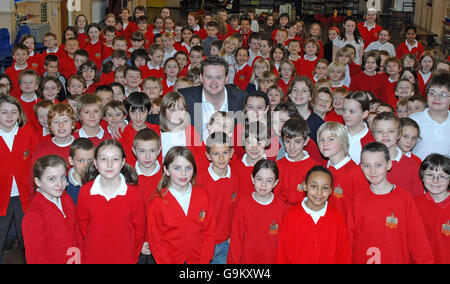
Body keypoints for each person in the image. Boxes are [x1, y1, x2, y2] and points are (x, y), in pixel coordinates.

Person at [349, 142, 434, 264]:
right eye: (367, 166)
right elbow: (349, 241)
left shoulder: (404, 198)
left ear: (389, 165)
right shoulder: (358, 199)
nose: (372, 171)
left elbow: (418, 241)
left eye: (378, 165)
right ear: (361, 167)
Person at [77, 139, 146, 264]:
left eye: (115, 159)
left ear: (122, 162)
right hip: (93, 258)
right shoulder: (86, 191)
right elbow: (84, 227)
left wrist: (132, 258)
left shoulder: (134, 193)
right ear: (95, 163)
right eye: (103, 159)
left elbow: (139, 230)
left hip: (125, 258)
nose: (109, 164)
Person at [147, 146, 215, 264]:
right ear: (166, 170)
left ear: (194, 170)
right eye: (177, 168)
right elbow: (156, 241)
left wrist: (204, 261)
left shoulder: (203, 195)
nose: (183, 173)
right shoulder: (157, 202)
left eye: (188, 168)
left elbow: (209, 233)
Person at [277, 165, 351, 264]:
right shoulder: (291, 216)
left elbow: (344, 255)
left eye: (325, 188)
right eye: (314, 186)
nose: (319, 193)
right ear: (304, 186)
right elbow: (282, 254)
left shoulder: (338, 218)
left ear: (330, 191)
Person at [22, 155, 83, 264]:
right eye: (52, 179)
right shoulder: (34, 216)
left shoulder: (65, 198)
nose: (60, 184)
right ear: (38, 182)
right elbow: (35, 258)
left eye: (63, 177)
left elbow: (77, 233)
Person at [0, 95, 38, 263]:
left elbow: (37, 161)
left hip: (25, 196)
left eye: (13, 112)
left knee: (29, 239)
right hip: (1, 198)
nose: (9, 116)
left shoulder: (28, 132)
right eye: (4, 112)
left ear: (19, 114)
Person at [228, 159, 287, 264]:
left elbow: (285, 244)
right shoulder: (243, 206)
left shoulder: (282, 208)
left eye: (269, 180)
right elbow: (236, 242)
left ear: (276, 183)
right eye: (259, 179)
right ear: (252, 179)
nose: (263, 184)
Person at [177, 55, 247, 141]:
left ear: (226, 78)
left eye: (219, 77)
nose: (214, 82)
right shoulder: (184, 97)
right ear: (201, 78)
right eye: (209, 77)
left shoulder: (241, 98)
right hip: (194, 152)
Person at [196, 132, 238, 264]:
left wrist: (233, 235)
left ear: (231, 153)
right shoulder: (201, 181)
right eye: (215, 153)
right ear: (208, 155)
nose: (221, 158)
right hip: (205, 241)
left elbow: (236, 210)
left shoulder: (235, 178)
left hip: (227, 241)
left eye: (225, 153)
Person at [317, 121, 368, 220]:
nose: (325, 143)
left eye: (331, 139)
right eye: (321, 139)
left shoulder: (355, 173)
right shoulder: (322, 169)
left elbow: (362, 211)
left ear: (342, 142)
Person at [415, 154, 450, 264]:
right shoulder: (414, 205)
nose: (435, 181)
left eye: (442, 176)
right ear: (422, 176)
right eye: (430, 175)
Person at [276, 117, 319, 206]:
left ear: (306, 141)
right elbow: (275, 198)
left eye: (297, 142)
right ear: (283, 141)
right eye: (287, 141)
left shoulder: (315, 168)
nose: (292, 147)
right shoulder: (278, 166)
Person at [410, 71, 450, 159]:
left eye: (443, 94)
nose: (436, 97)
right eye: (432, 93)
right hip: (418, 170)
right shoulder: (414, 119)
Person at [343, 91, 375, 164]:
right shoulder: (336, 134)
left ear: (364, 114)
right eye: (344, 110)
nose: (346, 115)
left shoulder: (373, 139)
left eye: (352, 111)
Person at [66, 138, 95, 205]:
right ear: (71, 161)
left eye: (90, 160)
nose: (86, 165)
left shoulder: (100, 182)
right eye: (81, 160)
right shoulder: (63, 186)